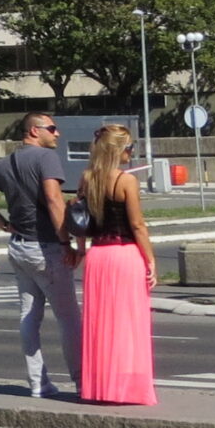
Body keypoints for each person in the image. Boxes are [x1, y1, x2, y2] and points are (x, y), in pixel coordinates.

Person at [0, 111, 82, 399]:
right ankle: (82, 380)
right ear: (34, 131)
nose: (57, 133)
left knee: (29, 316)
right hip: (46, 245)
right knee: (69, 317)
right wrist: (66, 241)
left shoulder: (5, 162)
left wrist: (3, 224)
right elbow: (52, 198)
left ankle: (38, 382)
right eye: (52, 128)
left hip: (18, 245)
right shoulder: (46, 158)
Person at [73, 123, 157, 406]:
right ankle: (127, 386)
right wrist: (151, 260)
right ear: (119, 150)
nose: (131, 153)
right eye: (130, 148)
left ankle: (99, 386)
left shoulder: (87, 178)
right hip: (125, 255)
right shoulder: (126, 181)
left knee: (101, 325)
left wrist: (81, 249)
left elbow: (80, 219)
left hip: (98, 257)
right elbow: (137, 225)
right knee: (128, 324)